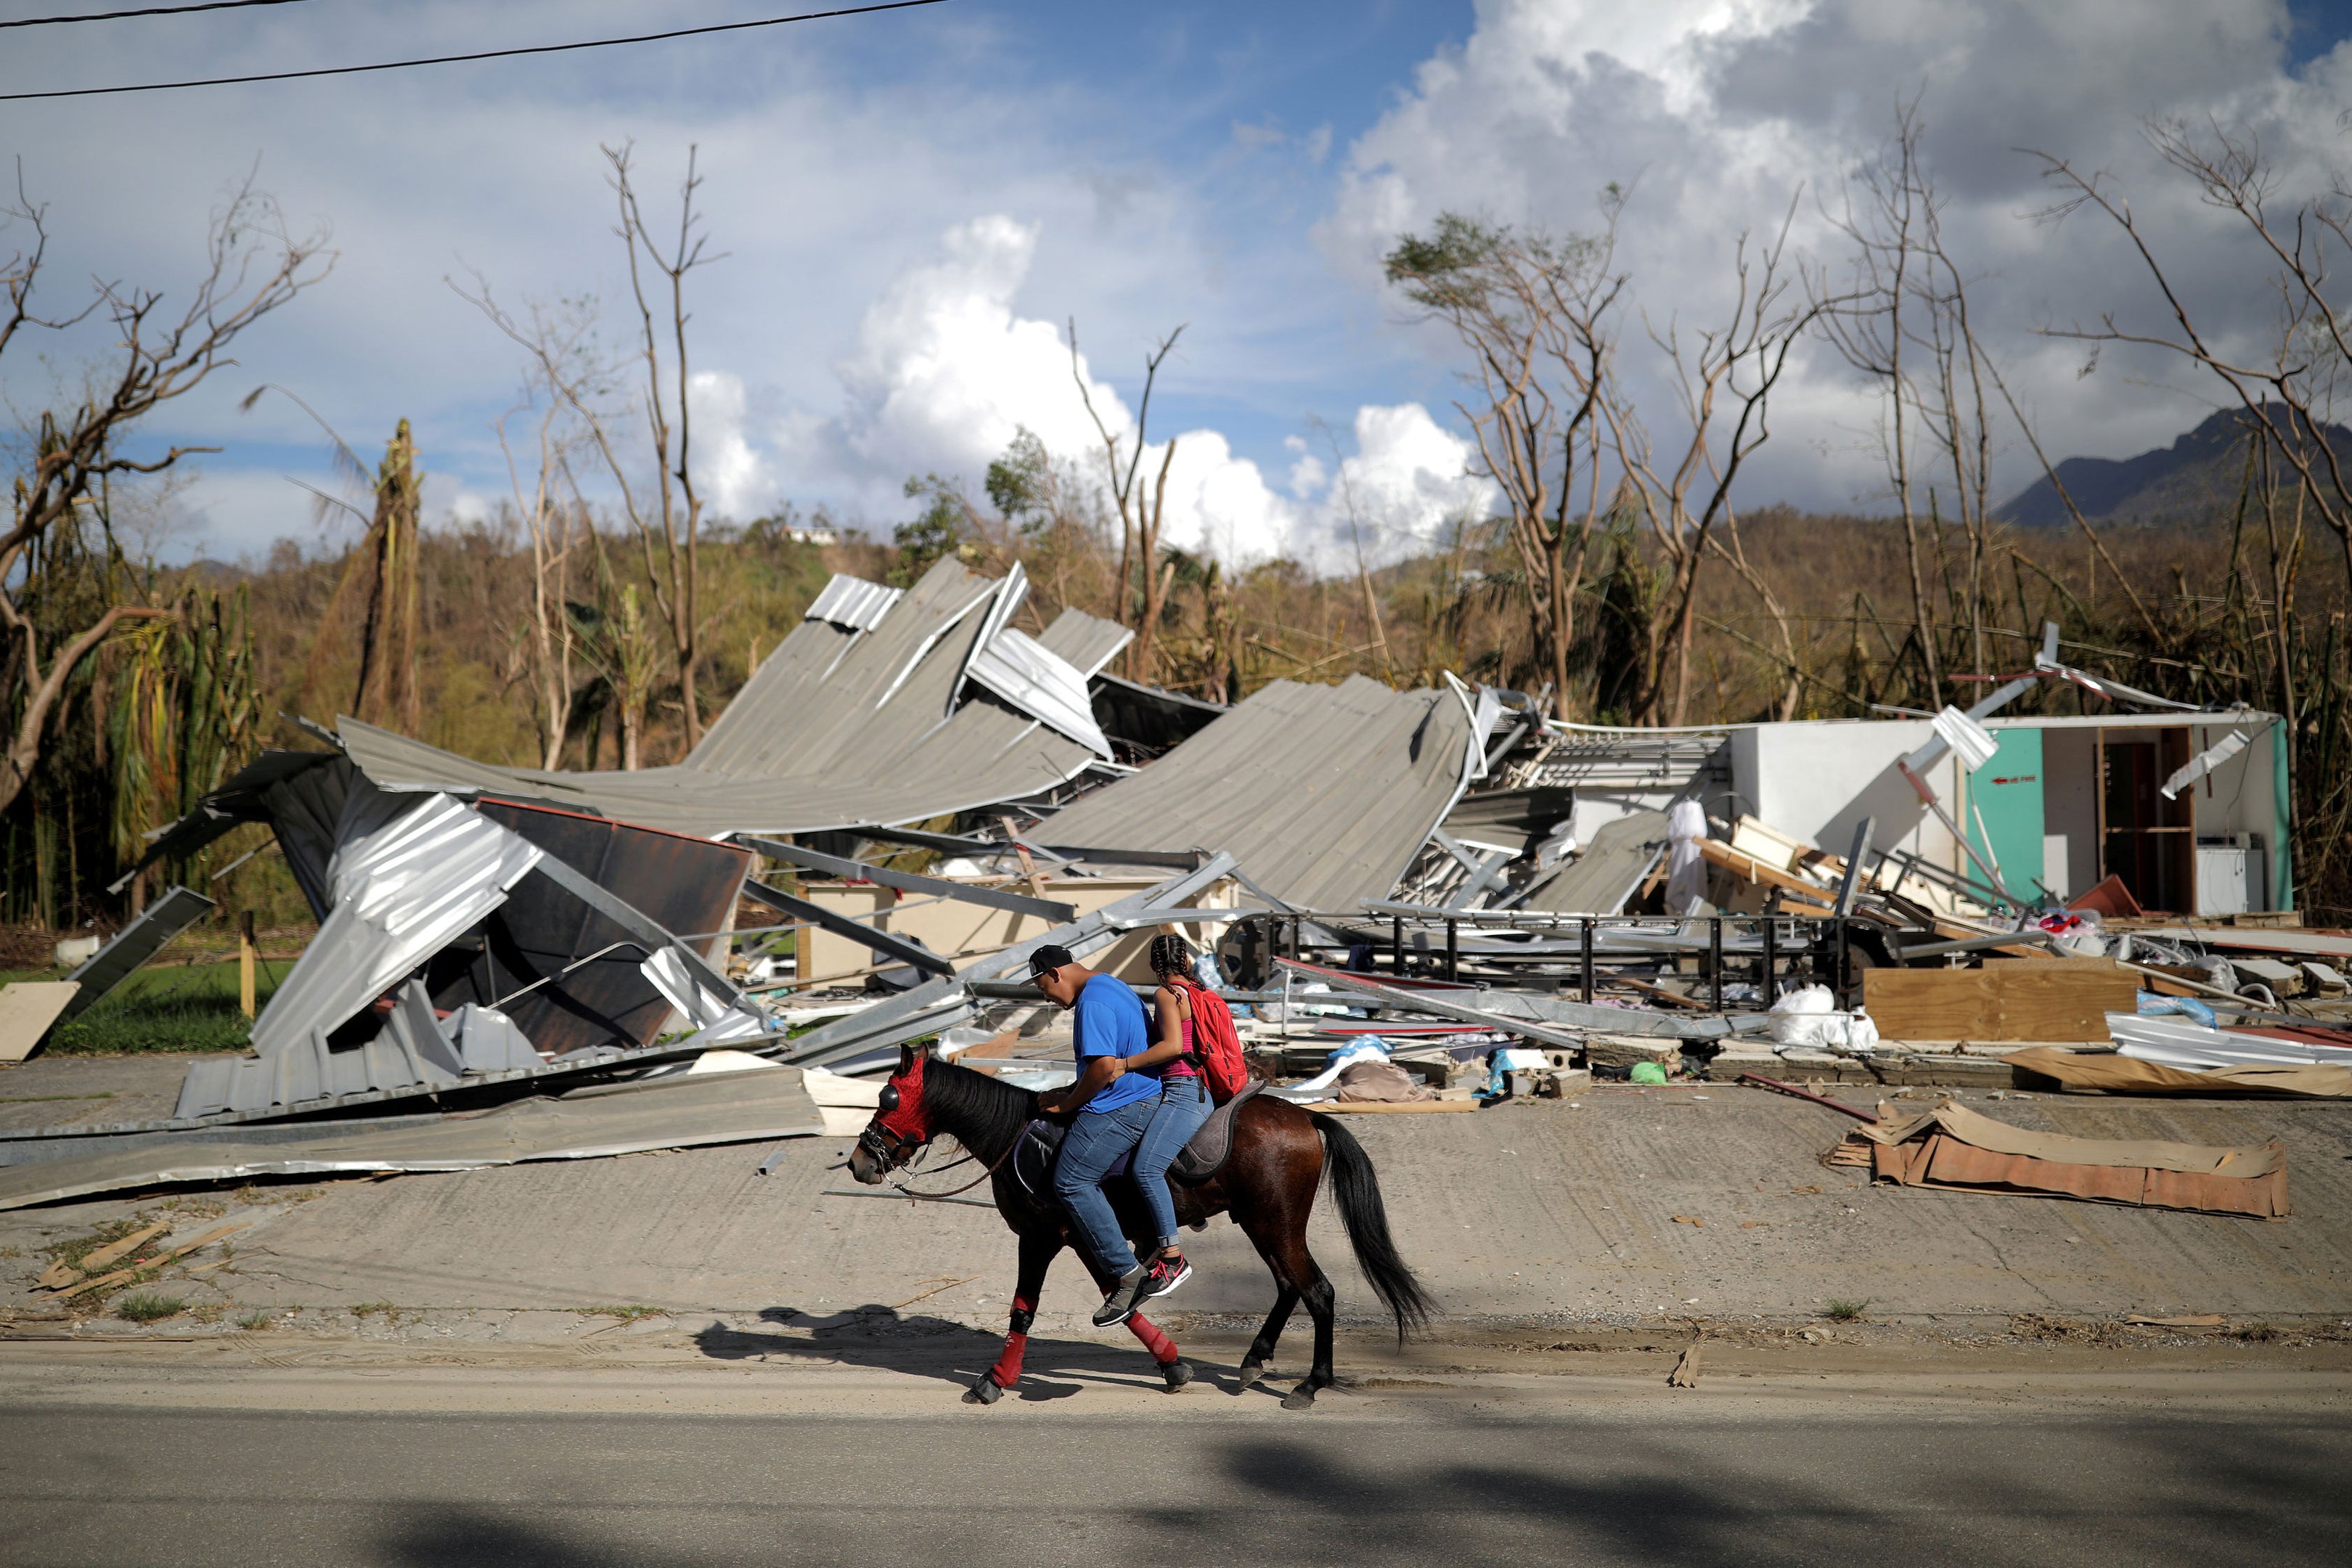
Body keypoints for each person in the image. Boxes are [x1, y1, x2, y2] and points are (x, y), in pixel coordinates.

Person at [1029, 944, 1161, 1326]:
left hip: (1124, 1104)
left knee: (1070, 1181)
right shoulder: (1111, 984)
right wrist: (1071, 1090)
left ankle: (1128, 1273)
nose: (1048, 998)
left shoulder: (1092, 1004)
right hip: (1138, 1093)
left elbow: (1103, 1067)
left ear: (1056, 973)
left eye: (1043, 988)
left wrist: (1069, 1105)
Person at [1106, 934, 1217, 1315]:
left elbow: (1172, 1047)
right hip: (1192, 1086)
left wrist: (1123, 1065)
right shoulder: (1199, 990)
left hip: (1184, 1089)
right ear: (1186, 961)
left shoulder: (1167, 994)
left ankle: (1172, 1257)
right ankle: (1193, 1210)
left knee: (1146, 1168)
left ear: (1155, 965)